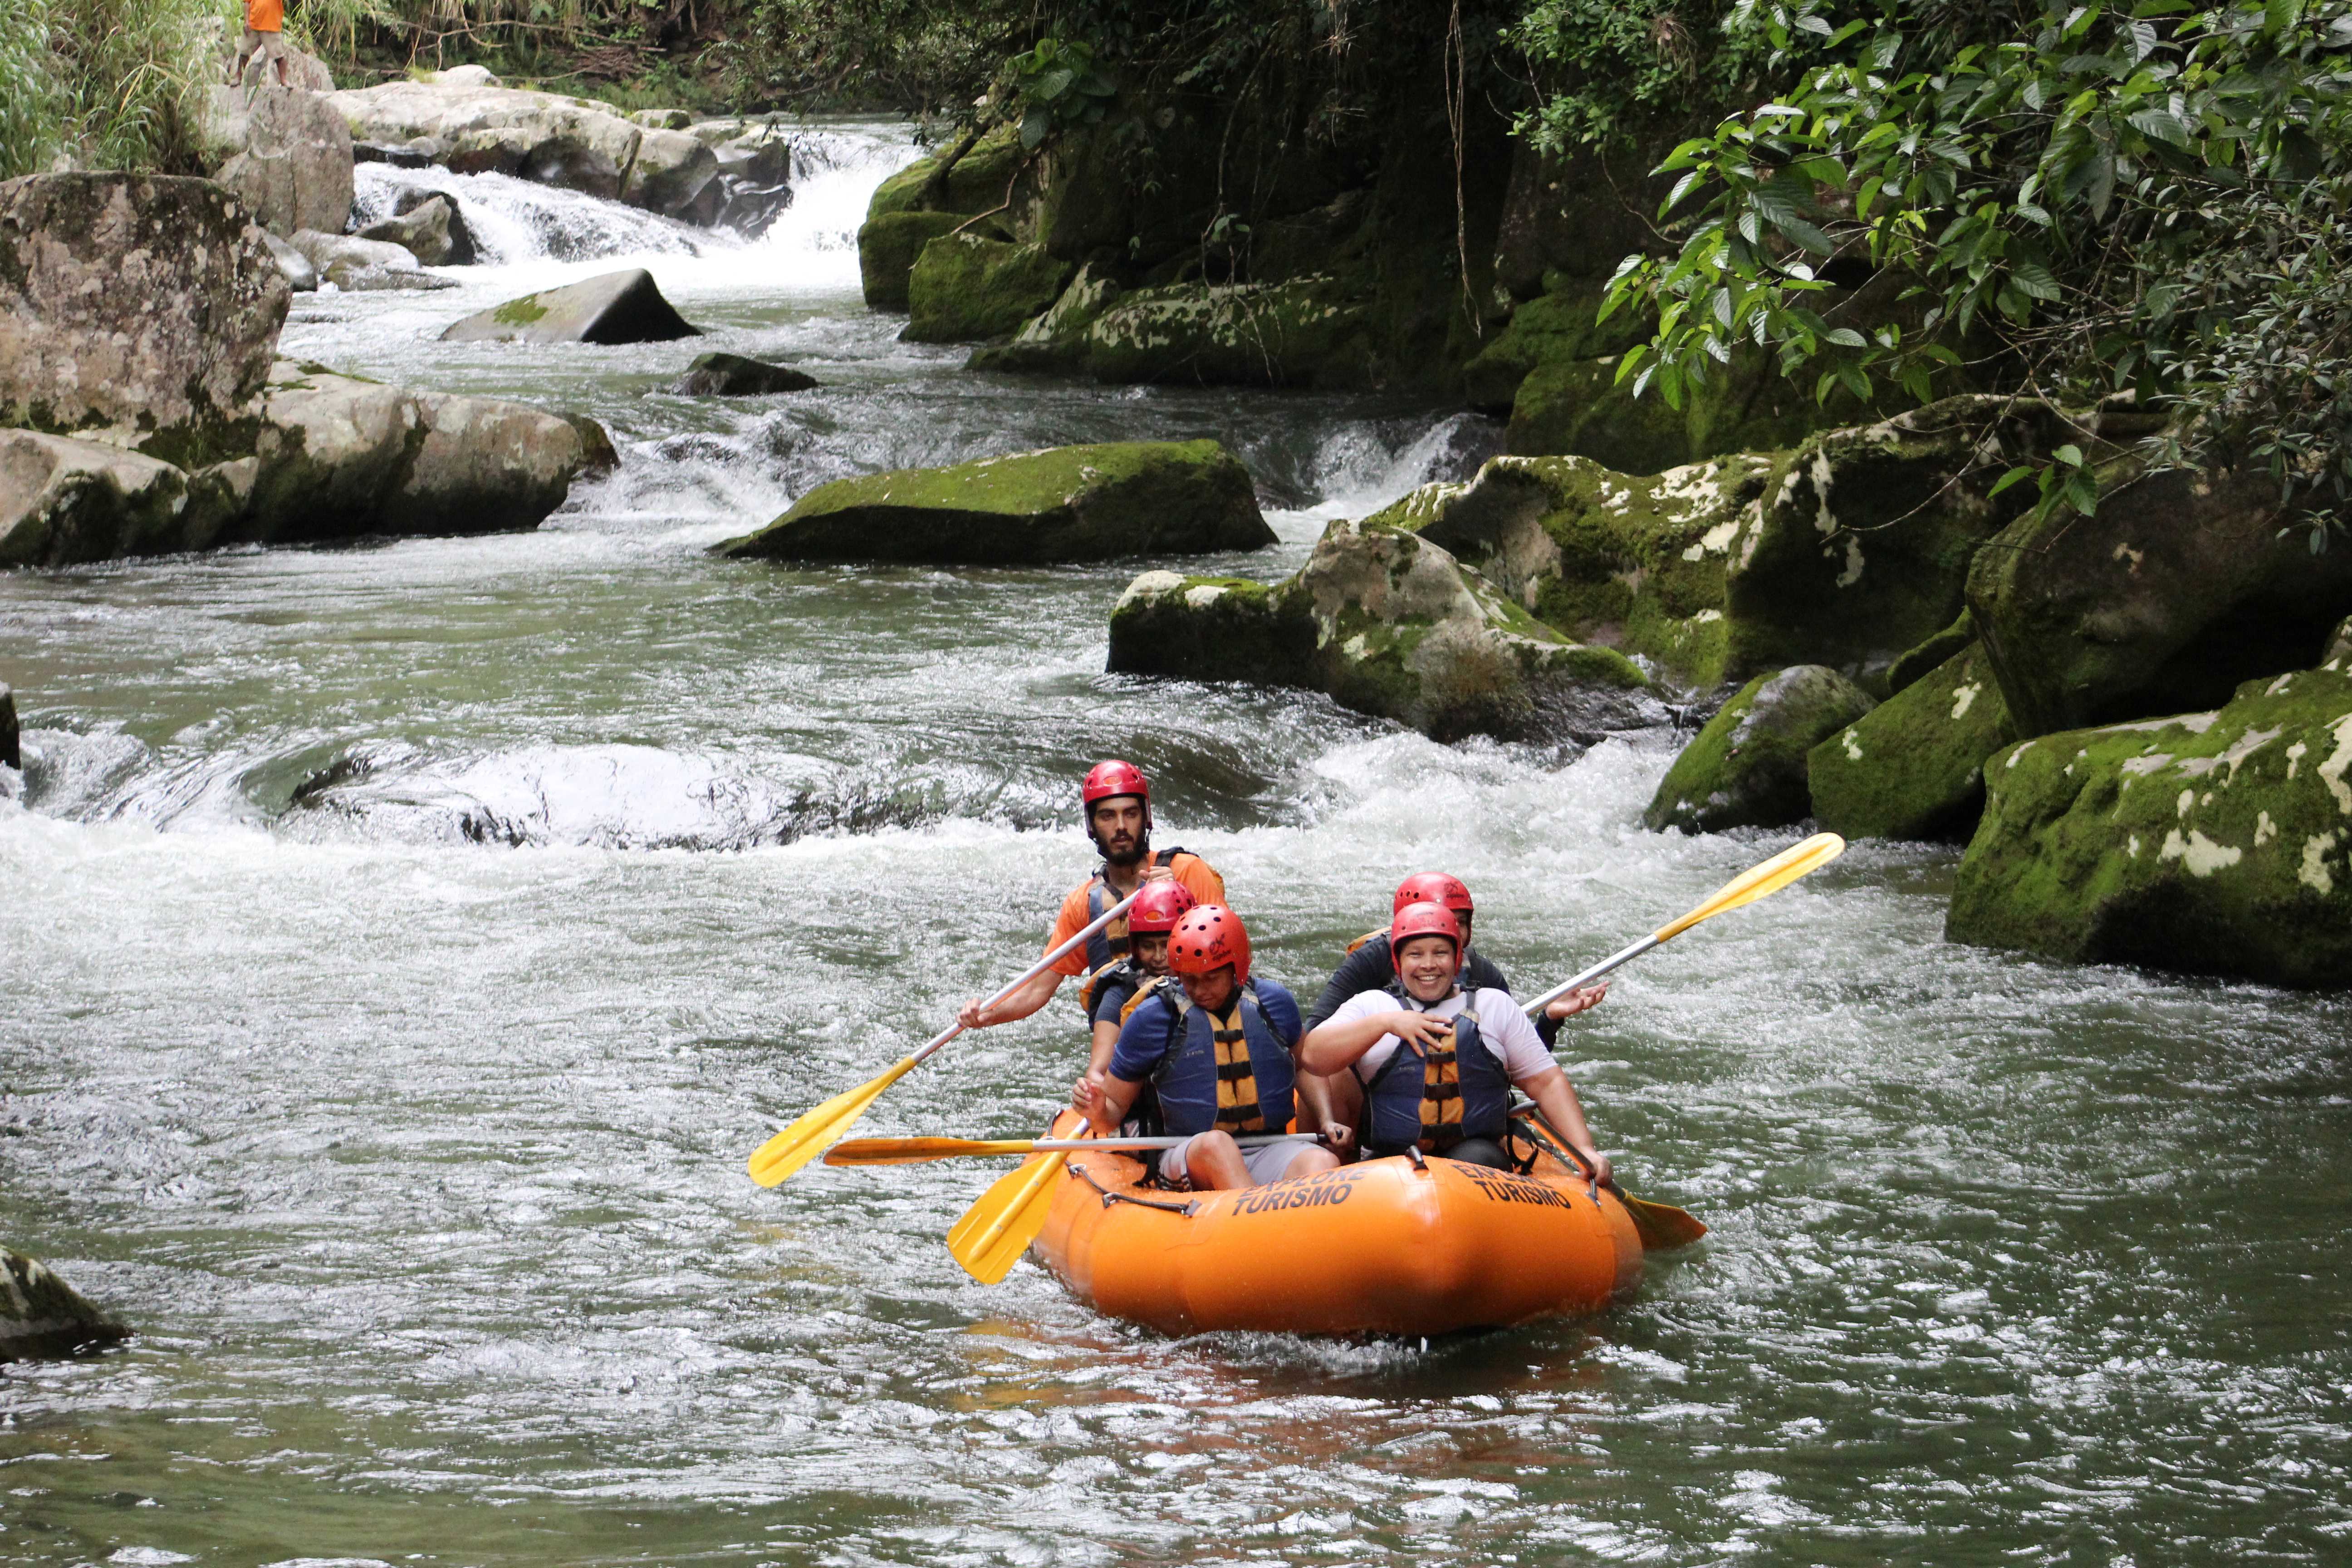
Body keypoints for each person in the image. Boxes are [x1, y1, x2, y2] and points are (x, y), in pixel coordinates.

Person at [1299, 901, 1611, 1178]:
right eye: (1415, 955)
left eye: (1441, 953)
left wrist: (1585, 1149)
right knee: (1390, 1174)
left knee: (1478, 1157)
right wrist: (1386, 1024)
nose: (1429, 965)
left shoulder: (1494, 1005)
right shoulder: (1372, 1006)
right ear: (1398, 962)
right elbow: (1314, 1057)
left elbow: (1545, 1082)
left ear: (1458, 958)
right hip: (1389, 1164)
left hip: (1477, 1162)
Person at [1077, 904, 1338, 1191]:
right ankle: (1259, 1223)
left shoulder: (1274, 1002)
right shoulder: (1152, 1018)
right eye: (1189, 979)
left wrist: (1326, 1120)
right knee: (1217, 1146)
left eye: (1211, 978)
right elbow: (1112, 1111)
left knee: (1322, 1164)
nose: (1200, 990)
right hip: (1188, 1151)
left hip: (1268, 1145)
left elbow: (1306, 1066)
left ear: (1237, 968)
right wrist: (1097, 1108)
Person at [956, 760, 1224, 1030]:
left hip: (1193, 1028)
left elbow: (1233, 959)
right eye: (1108, 816)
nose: (1121, 826)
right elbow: (1037, 990)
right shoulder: (1082, 904)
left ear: (1145, 818)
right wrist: (987, 1014)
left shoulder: (1187, 871)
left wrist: (1183, 898)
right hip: (1123, 1043)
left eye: (1130, 814)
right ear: (1092, 825)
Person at [1303, 872, 1592, 1039]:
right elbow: (1314, 1037)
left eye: (1461, 922)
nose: (1452, 930)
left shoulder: (1480, 973)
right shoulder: (1371, 960)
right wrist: (1382, 1027)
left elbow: (1521, 1060)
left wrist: (1550, 1019)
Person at [1068, 878, 1194, 1125]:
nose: (1159, 957)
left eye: (1167, 944)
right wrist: (1099, 1101)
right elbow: (1098, 1071)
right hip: (1144, 1121)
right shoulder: (1120, 991)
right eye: (1148, 946)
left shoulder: (1210, 982)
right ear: (1135, 948)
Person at [230, 0, 291, 88]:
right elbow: (247, 3)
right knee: (244, 53)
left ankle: (284, 80)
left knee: (279, 56)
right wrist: (247, 22)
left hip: (272, 26)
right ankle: (238, 77)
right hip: (253, 25)